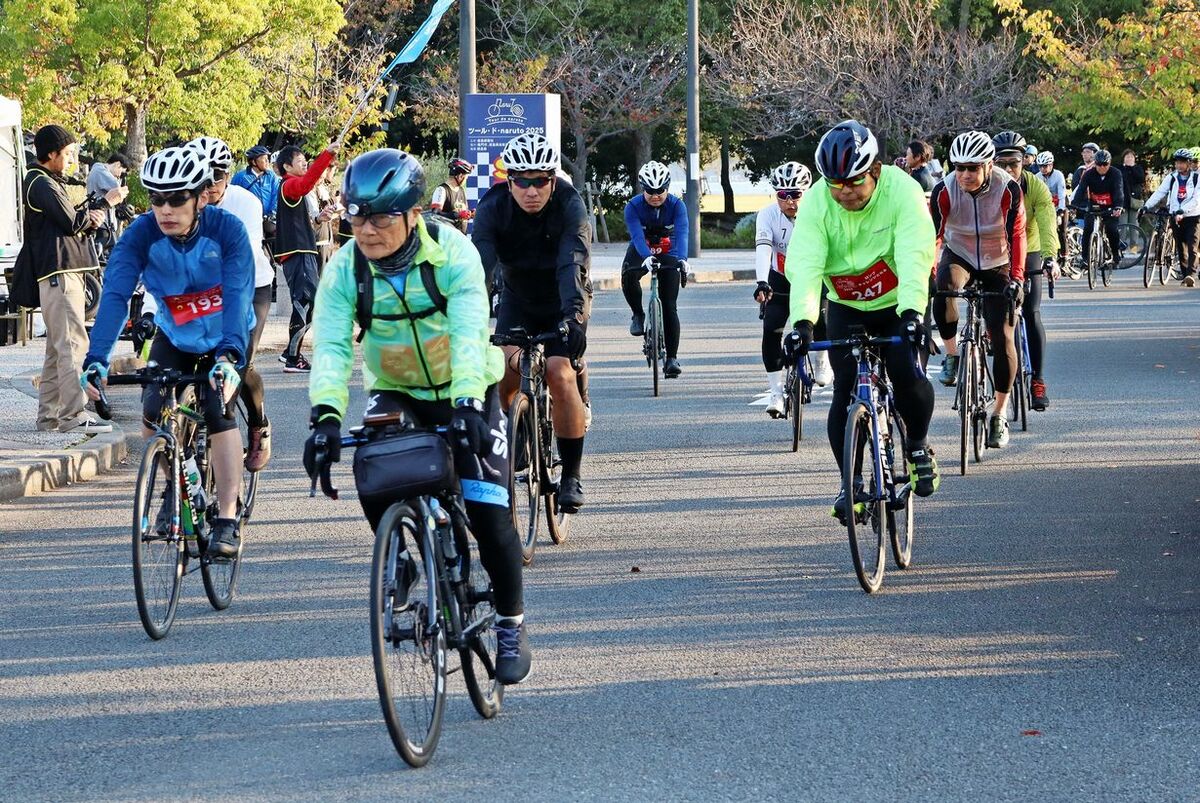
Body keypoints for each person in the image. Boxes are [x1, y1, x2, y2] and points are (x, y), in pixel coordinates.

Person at [302, 148, 531, 684]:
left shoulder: (453, 252)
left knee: (488, 511)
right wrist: (326, 416)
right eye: (356, 216)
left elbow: (471, 329)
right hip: (397, 389)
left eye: (380, 217)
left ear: (412, 215)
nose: (367, 230)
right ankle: (400, 558)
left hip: (467, 385)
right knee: (376, 469)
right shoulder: (345, 269)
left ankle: (511, 624)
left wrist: (471, 399)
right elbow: (332, 346)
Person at [81, 146, 255, 559]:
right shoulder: (140, 235)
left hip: (224, 337)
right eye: (156, 198)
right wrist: (96, 358)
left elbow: (237, 294)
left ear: (201, 197)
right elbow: (115, 296)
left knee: (218, 409)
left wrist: (230, 357)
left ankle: (228, 518)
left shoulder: (227, 231)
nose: (165, 208)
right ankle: (178, 485)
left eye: (177, 198)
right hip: (176, 337)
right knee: (152, 419)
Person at [781, 120, 940, 520]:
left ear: (874, 172)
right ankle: (849, 482)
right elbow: (805, 262)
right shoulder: (819, 200)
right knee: (844, 390)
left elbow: (914, 254)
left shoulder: (902, 192)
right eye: (836, 185)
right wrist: (801, 322)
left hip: (897, 301)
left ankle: (918, 444)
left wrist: (911, 314)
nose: (844, 192)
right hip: (846, 305)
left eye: (853, 183)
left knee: (907, 373)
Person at [473, 133, 591, 512]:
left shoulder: (570, 206)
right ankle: (519, 434)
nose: (531, 190)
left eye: (540, 180)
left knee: (559, 372)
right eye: (521, 181)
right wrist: (464, 318)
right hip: (518, 298)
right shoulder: (492, 208)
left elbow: (573, 262)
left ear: (553, 181)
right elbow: (478, 269)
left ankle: (571, 475)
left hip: (564, 298)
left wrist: (573, 316)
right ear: (509, 182)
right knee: (504, 370)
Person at [11, 125, 120, 434]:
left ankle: (48, 417)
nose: (72, 160)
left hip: (56, 273)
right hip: (59, 273)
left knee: (56, 349)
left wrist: (93, 213)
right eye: (69, 153)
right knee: (73, 343)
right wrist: (104, 205)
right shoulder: (40, 182)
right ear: (51, 154)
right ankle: (73, 415)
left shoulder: (42, 181)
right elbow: (72, 221)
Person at [930, 130, 1026, 449]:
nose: (965, 175)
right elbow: (932, 237)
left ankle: (999, 412)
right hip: (961, 254)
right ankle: (954, 355)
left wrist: (1016, 279)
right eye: (959, 168)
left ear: (988, 165)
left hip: (998, 261)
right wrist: (928, 271)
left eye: (972, 168)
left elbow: (1017, 235)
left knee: (1002, 336)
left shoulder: (1008, 188)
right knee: (943, 288)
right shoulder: (943, 191)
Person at [187, 136, 274, 469]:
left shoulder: (246, 202)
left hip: (251, 286)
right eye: (202, 181)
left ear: (228, 176)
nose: (209, 189)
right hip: (203, 289)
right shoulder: (185, 200)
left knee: (238, 363)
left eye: (217, 180)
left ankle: (257, 425)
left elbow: (243, 258)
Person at [754, 161, 830, 419]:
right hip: (780, 278)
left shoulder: (819, 213)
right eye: (782, 196)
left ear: (806, 193)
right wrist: (761, 282)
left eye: (796, 194)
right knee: (771, 329)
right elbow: (763, 249)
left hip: (812, 277)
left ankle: (821, 362)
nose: (790, 201)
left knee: (820, 319)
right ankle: (776, 392)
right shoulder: (767, 215)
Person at [994, 132, 1059, 412]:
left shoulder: (1036, 188)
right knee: (994, 313)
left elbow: (1046, 223)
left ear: (1025, 162)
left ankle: (1038, 380)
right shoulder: (988, 186)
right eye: (1002, 163)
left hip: (1029, 247)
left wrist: (1050, 258)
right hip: (996, 251)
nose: (1008, 170)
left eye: (1014, 163)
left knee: (1031, 313)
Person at [274, 142, 340, 372]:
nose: (305, 163)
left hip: (305, 251)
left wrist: (319, 219)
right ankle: (293, 358)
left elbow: (301, 223)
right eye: (300, 160)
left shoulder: (293, 187)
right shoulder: (290, 185)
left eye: (306, 160)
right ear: (286, 166)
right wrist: (326, 155)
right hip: (298, 253)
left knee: (310, 304)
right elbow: (305, 185)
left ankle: (291, 353)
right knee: (304, 303)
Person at [622, 160, 689, 378]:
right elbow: (636, 236)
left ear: (667, 187)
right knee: (628, 274)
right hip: (643, 246)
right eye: (650, 191)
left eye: (660, 190)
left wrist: (682, 259)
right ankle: (638, 314)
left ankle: (671, 358)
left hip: (668, 246)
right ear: (643, 188)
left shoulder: (677, 206)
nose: (655, 195)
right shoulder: (633, 206)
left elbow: (682, 234)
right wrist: (646, 256)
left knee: (669, 304)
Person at [1140, 148, 1200, 287]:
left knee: (1192, 246)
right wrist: (1146, 206)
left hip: (1192, 216)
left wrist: (1183, 210)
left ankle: (1191, 274)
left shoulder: (1197, 178)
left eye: (1182, 162)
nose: (1179, 165)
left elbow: (1197, 199)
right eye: (1177, 162)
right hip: (1174, 215)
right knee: (1180, 246)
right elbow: (1160, 192)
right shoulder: (1172, 178)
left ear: (1189, 163)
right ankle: (1186, 275)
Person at [1070, 148, 1125, 274]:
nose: (1102, 167)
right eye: (1099, 164)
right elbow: (1080, 190)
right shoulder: (1089, 174)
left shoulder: (1115, 173)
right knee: (1088, 230)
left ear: (1109, 164)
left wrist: (1118, 206)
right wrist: (1074, 205)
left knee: (1112, 229)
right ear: (1095, 164)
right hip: (1094, 205)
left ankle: (1115, 253)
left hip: (1111, 206)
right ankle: (1085, 259)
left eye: (1105, 164)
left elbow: (1119, 191)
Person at [85, 152, 131, 254]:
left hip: (102, 221)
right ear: (118, 164)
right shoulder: (100, 170)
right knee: (108, 254)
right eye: (122, 173)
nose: (120, 176)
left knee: (106, 254)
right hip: (102, 221)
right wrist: (122, 181)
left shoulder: (97, 170)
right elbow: (119, 191)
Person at [1034, 151, 1069, 264]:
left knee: (1061, 231)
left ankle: (1064, 255)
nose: (1042, 169)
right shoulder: (1037, 177)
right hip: (1046, 207)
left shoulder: (1058, 175)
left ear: (1051, 165)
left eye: (1045, 166)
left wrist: (1060, 211)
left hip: (1060, 204)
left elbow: (1062, 195)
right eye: (1040, 166)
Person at [231, 145, 280, 220]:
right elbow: (232, 197)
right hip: (246, 218)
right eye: (264, 159)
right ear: (254, 162)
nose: (267, 162)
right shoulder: (240, 177)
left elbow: (276, 196)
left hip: (267, 219)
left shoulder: (271, 177)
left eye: (268, 159)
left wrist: (271, 213)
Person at [430, 157, 474, 232]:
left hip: (461, 238)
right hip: (446, 239)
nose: (466, 180)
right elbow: (435, 215)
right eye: (466, 178)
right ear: (460, 176)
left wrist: (470, 214)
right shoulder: (442, 190)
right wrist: (457, 215)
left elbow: (461, 213)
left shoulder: (461, 190)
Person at [1118, 149, 1146, 227]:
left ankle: (1134, 240)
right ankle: (1121, 240)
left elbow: (1141, 179)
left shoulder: (1138, 168)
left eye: (1131, 157)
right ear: (1123, 158)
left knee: (1134, 226)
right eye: (1127, 157)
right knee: (1122, 225)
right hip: (1123, 201)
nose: (1129, 159)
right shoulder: (1120, 169)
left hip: (1135, 200)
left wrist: (1132, 168)